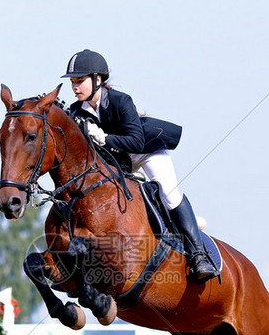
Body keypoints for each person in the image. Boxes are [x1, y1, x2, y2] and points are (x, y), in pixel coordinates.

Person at [62, 49, 217, 283]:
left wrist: (104, 138)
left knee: (169, 194)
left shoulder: (120, 101)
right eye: (73, 82)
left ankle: (198, 255)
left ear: (97, 79)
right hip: (118, 162)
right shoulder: (76, 111)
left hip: (146, 152)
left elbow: (136, 141)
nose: (75, 87)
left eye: (80, 81)